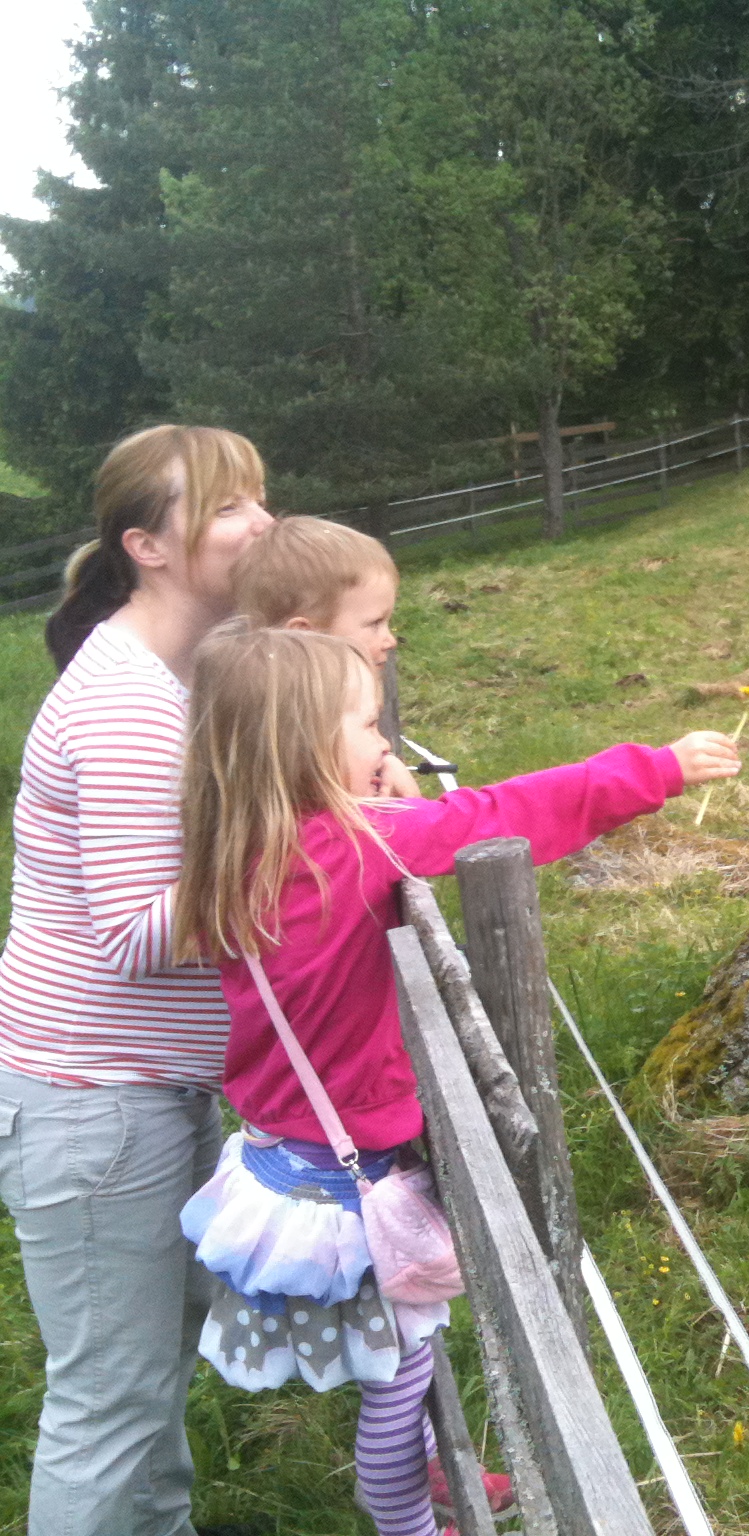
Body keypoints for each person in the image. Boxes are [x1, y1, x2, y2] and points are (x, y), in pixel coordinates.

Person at [173, 625, 739, 1536]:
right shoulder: (354, 848)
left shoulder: (235, 858)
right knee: (399, 1372)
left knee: (395, 1358)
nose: (385, 742)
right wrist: (656, 767)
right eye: (367, 726)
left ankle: (416, 1488)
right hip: (350, 1178)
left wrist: (370, 786)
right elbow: (499, 814)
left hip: (282, 1155)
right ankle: (404, 1518)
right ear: (304, 747)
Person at [0, 425, 273, 1536]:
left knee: (147, 1372)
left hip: (135, 1091)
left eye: (260, 497)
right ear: (146, 547)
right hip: (95, 1101)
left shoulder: (179, 676)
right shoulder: (124, 704)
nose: (262, 523)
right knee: (110, 1403)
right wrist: (310, 857)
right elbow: (134, 935)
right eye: (228, 506)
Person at [232, 514, 418, 797]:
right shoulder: (304, 747)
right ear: (306, 634)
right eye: (374, 624)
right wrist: (411, 808)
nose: (390, 641)